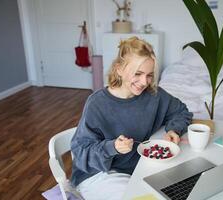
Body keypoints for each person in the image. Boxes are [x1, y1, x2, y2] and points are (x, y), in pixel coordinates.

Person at [70, 36, 193, 200]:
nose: (144, 82)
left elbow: (181, 111)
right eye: (138, 73)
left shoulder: (154, 95)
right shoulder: (97, 103)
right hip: (99, 174)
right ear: (119, 69)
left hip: (138, 168)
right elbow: (80, 152)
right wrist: (112, 147)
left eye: (149, 75)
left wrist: (174, 129)